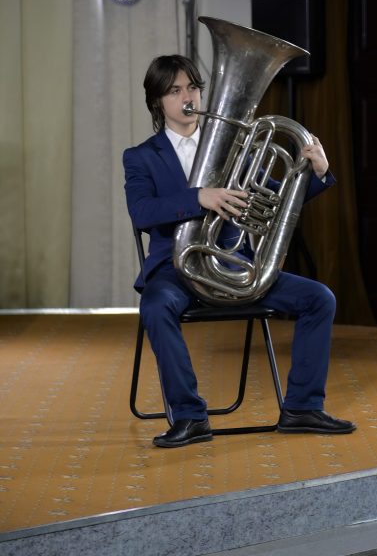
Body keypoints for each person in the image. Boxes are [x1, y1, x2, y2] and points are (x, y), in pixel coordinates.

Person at [123, 54, 356, 448]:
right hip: (175, 270)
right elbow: (142, 212)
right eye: (174, 91)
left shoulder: (233, 146)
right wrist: (199, 197)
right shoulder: (141, 156)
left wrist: (317, 173)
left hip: (234, 267)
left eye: (193, 88)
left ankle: (302, 408)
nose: (187, 97)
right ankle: (190, 417)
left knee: (320, 298)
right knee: (155, 308)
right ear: (157, 102)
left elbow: (276, 200)